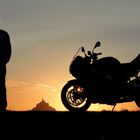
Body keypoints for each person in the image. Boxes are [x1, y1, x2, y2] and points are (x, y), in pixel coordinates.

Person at [0, 29, 12, 111]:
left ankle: (2, 106)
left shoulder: (4, 34)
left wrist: (3, 61)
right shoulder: (4, 34)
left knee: (1, 85)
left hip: (1, 64)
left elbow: (8, 50)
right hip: (2, 63)